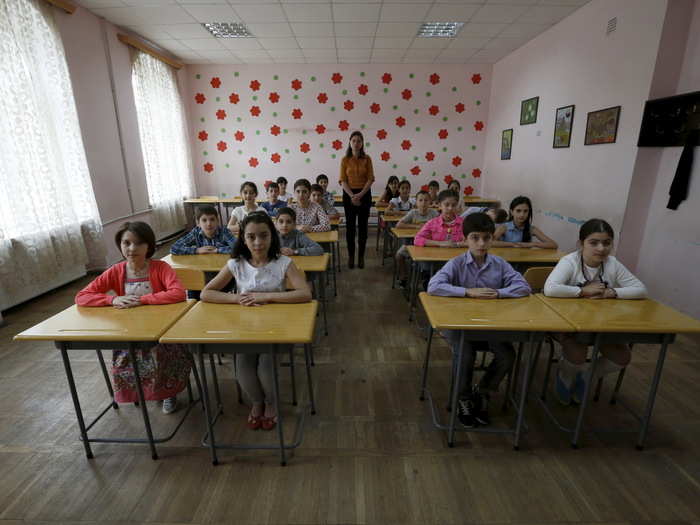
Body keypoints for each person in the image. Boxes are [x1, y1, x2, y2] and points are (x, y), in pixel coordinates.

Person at [201, 212, 312, 430]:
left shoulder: (284, 262)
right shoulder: (236, 263)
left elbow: (304, 294)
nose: (258, 242)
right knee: (243, 367)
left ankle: (271, 402)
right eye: (251, 237)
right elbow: (207, 293)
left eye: (263, 236)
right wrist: (236, 299)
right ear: (243, 238)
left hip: (277, 328)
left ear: (272, 237)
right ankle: (257, 402)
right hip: (246, 328)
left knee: (265, 366)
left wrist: (267, 296)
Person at [76, 221, 190, 414]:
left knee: (161, 353)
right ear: (120, 245)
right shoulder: (116, 271)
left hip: (163, 331)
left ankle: (168, 393)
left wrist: (143, 300)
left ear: (149, 246)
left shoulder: (160, 268)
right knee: (125, 354)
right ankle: (141, 391)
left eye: (138, 243)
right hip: (131, 331)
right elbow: (82, 296)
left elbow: (178, 293)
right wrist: (112, 300)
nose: (132, 248)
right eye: (126, 243)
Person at [428, 213, 531, 427]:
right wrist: (467, 292)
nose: (481, 243)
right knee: (465, 354)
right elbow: (434, 285)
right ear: (465, 239)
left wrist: (500, 293)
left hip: (492, 326)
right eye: (475, 237)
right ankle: (463, 398)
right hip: (460, 327)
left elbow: (523, 287)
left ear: (492, 238)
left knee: (507, 355)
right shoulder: (456, 263)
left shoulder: (500, 264)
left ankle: (483, 392)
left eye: (486, 237)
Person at [543, 218, 647, 405]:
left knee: (623, 357)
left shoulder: (612, 263)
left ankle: (589, 375)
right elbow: (550, 288)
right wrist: (582, 291)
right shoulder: (570, 261)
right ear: (581, 243)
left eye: (606, 243)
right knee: (577, 354)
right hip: (569, 325)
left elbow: (640, 289)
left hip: (602, 325)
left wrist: (611, 292)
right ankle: (566, 377)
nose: (601, 248)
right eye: (594, 242)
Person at [339, 130, 374, 269]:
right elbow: (342, 180)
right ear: (349, 142)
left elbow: (371, 178)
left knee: (363, 228)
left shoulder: (367, 159)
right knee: (350, 228)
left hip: (365, 194)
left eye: (359, 141)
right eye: (354, 140)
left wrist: (360, 195)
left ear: (362, 143)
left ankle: (361, 257)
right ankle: (351, 256)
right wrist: (352, 196)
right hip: (348, 194)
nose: (356, 143)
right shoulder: (345, 159)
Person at [395, 190, 438, 287]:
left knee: (432, 261)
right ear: (416, 202)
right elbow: (399, 224)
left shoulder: (434, 213)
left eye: (426, 200)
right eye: (420, 200)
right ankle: (404, 277)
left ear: (430, 202)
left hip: (429, 245)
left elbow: (439, 228)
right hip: (412, 244)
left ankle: (426, 276)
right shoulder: (413, 213)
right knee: (399, 254)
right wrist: (416, 227)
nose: (423, 203)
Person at [493, 196, 558, 249]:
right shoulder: (504, 227)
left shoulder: (531, 229)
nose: (522, 214)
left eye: (525, 211)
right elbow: (491, 242)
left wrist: (533, 244)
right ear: (511, 212)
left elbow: (553, 245)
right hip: (507, 261)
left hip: (524, 261)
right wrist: (513, 244)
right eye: (518, 211)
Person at [170, 205, 236, 255]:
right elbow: (174, 248)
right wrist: (196, 250)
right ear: (198, 223)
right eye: (204, 220)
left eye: (212, 219)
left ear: (217, 221)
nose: (209, 224)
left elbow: (239, 248)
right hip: (203, 267)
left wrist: (218, 250)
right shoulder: (195, 232)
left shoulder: (224, 231)